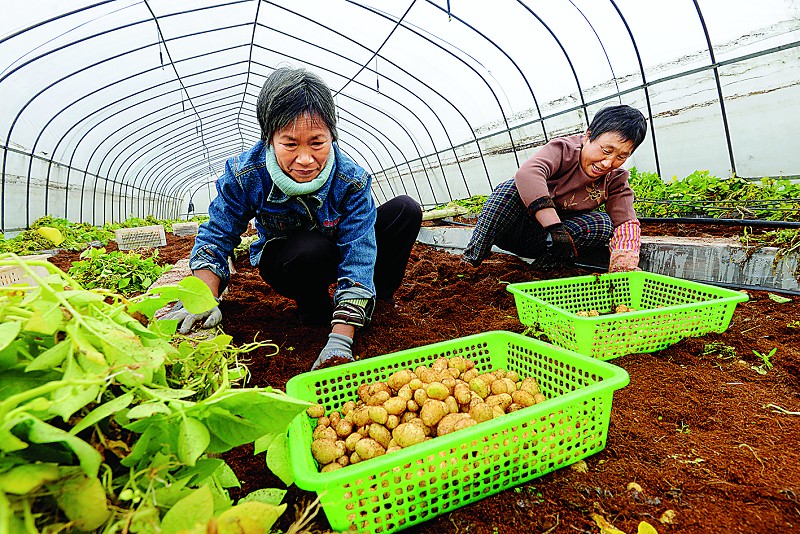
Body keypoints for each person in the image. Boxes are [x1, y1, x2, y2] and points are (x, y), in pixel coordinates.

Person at [165, 67, 422, 371]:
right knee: (310, 249)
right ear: (270, 138)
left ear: (331, 136)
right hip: (292, 260)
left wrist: (341, 338)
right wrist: (202, 296)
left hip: (338, 249)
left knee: (405, 211)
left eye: (317, 143)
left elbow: (359, 252)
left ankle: (372, 304)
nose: (305, 158)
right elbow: (217, 235)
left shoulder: (350, 180)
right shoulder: (247, 174)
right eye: (290, 144)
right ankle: (314, 307)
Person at [462, 104, 647, 272]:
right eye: (606, 150)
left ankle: (538, 273)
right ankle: (470, 260)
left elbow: (625, 222)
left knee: (602, 224)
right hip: (512, 227)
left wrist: (624, 266)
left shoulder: (615, 179)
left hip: (548, 243)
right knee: (511, 188)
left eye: (621, 156)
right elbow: (528, 174)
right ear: (588, 136)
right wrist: (554, 226)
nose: (608, 162)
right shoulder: (564, 150)